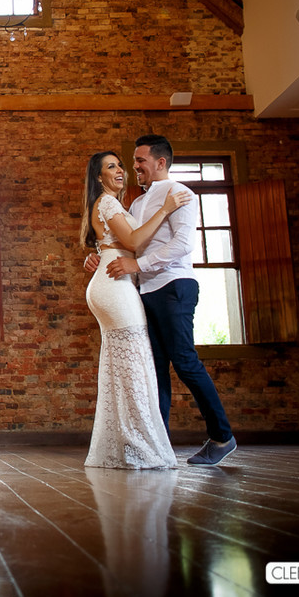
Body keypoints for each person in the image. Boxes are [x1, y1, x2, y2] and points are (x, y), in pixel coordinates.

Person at [85, 135, 236, 466]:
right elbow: (124, 241)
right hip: (144, 292)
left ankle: (222, 436)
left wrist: (138, 265)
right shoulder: (136, 204)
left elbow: (183, 244)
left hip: (174, 286)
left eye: (139, 161)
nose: (133, 167)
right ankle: (157, 444)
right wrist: (99, 254)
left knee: (184, 361)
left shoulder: (179, 193)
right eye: (130, 162)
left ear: (160, 162)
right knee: (154, 370)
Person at [81, 150, 189, 470]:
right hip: (115, 288)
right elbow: (132, 241)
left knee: (124, 366)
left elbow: (113, 243)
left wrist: (96, 254)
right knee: (133, 365)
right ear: (99, 176)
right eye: (110, 166)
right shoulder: (107, 203)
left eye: (120, 165)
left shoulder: (113, 204)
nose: (120, 170)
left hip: (113, 284)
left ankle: (124, 445)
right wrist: (166, 208)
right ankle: (136, 446)